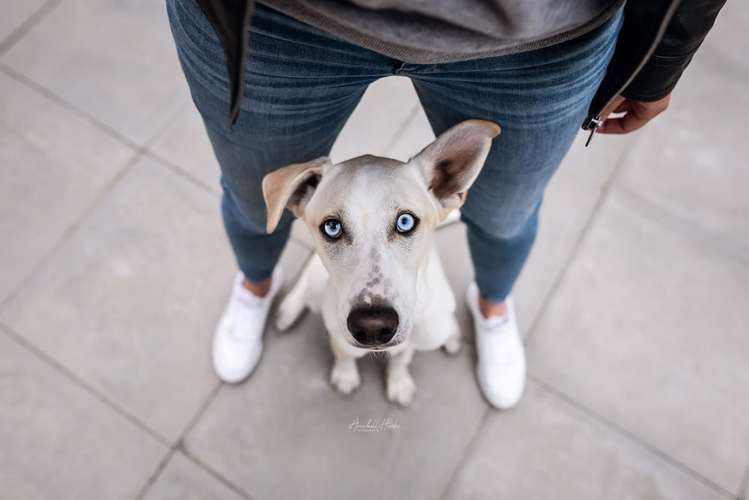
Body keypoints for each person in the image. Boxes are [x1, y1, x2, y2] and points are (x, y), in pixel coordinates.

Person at [167, 0, 726, 409]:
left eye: (404, 223)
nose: (372, 292)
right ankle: (256, 286)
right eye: (334, 228)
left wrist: (663, 55)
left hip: (540, 34)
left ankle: (492, 306)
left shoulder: (446, 177)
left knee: (508, 214)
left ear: (445, 190)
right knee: (250, 199)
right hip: (276, 20)